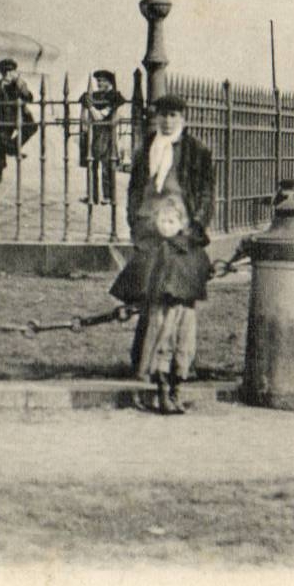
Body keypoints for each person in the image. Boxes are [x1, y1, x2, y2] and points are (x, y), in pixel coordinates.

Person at [110, 94, 215, 415]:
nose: (167, 121)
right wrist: (135, 223)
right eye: (163, 115)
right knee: (154, 306)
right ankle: (153, 377)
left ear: (183, 117)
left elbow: (206, 194)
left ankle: (176, 377)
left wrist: (192, 227)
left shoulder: (196, 151)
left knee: (180, 309)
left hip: (182, 238)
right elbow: (134, 191)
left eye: (173, 115)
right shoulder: (147, 151)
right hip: (151, 237)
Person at [0, 60, 38, 182]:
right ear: (4, 73)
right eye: (7, 72)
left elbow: (29, 98)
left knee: (32, 126)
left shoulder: (19, 83)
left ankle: (13, 147)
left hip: (19, 116)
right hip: (3, 118)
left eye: (12, 71)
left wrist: (23, 88)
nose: (10, 74)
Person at [79, 70, 127, 205]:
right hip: (95, 133)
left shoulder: (115, 97)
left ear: (109, 82)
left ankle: (108, 196)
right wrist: (86, 108)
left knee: (106, 166)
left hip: (107, 133)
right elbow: (85, 118)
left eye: (102, 81)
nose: (99, 83)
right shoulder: (95, 96)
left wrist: (90, 107)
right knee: (92, 164)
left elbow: (100, 117)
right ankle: (92, 196)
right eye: (98, 81)